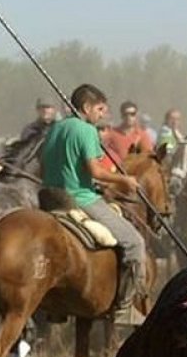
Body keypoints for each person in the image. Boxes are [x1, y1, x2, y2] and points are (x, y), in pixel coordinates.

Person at [41, 83, 147, 313]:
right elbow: (95, 171)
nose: (102, 115)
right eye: (100, 109)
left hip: (49, 197)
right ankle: (126, 307)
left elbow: (48, 165)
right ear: (87, 107)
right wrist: (124, 181)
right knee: (135, 243)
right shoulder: (86, 130)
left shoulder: (56, 127)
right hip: (80, 198)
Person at [102, 101, 154, 167]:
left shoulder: (142, 135)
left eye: (132, 114)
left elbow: (148, 156)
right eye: (126, 114)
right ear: (121, 115)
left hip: (135, 171)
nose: (129, 117)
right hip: (116, 171)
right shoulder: (112, 133)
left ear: (136, 115)